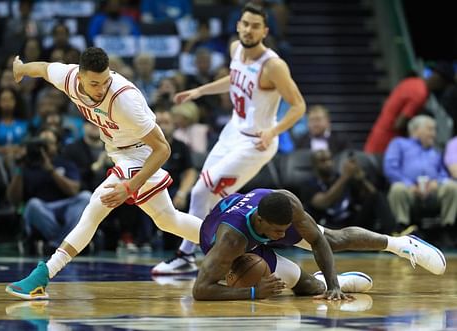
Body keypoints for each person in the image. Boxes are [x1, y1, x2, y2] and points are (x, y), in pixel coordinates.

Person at [5, 46, 204, 300]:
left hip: (142, 152)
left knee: (95, 206)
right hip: (118, 151)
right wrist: (21, 68)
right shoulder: (68, 77)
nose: (100, 89)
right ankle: (226, 239)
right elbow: (44, 69)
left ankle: (43, 275)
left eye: (105, 81)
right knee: (168, 220)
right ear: (79, 78)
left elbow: (163, 149)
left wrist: (130, 186)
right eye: (94, 83)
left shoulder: (124, 100)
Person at [153, 2, 307, 274]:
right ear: (238, 26)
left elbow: (298, 106)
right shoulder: (235, 48)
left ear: (265, 30)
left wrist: (273, 131)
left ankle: (191, 254)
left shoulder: (273, 66)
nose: (249, 30)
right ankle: (208, 253)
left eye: (255, 26)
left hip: (255, 143)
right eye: (245, 24)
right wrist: (200, 91)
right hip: (233, 131)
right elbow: (234, 79)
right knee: (207, 196)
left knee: (203, 191)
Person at [193, 188, 446, 301]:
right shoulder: (231, 242)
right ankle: (328, 281)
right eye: (276, 231)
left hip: (255, 221)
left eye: (285, 229)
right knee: (306, 286)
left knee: (333, 239)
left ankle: (400, 243)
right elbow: (201, 290)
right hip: (231, 239)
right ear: (260, 220)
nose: (282, 237)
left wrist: (334, 287)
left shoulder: (288, 204)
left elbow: (317, 240)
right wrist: (251, 293)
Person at [384, 115, 457, 244]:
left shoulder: (435, 151)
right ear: (417, 130)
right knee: (397, 188)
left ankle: (448, 229)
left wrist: (437, 182)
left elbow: (443, 174)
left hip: (433, 193)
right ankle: (403, 229)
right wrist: (409, 185)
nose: (434, 134)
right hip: (409, 192)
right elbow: (390, 168)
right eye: (430, 129)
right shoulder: (399, 144)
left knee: (451, 186)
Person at [364, 63, 454, 155]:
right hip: (387, 145)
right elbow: (399, 124)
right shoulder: (420, 94)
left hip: (376, 136)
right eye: (444, 84)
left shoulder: (411, 82)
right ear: (440, 80)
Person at [301, 149, 395, 233]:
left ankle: (395, 233)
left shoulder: (340, 178)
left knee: (377, 196)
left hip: (352, 223)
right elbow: (323, 203)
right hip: (328, 226)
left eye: (330, 159)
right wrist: (345, 177)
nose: (328, 163)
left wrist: (361, 179)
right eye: (323, 161)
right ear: (314, 165)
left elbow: (373, 195)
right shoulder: (309, 184)